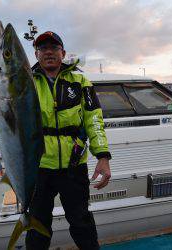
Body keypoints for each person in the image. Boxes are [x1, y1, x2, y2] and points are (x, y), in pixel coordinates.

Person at [25, 31, 112, 250]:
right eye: (43, 48)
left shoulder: (81, 82)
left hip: (74, 166)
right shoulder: (26, 83)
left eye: (54, 48)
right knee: (37, 227)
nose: (49, 52)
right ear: (36, 54)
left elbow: (94, 120)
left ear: (63, 53)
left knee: (82, 223)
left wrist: (102, 156)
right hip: (39, 167)